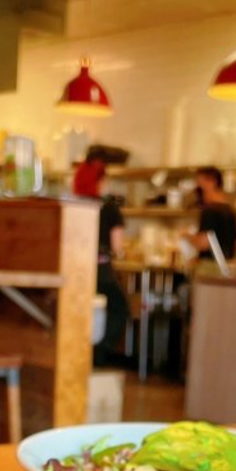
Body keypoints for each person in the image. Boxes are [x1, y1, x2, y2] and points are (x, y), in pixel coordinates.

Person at [73, 149, 129, 364]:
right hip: (100, 271)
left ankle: (79, 352)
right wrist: (121, 253)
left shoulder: (74, 205)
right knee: (120, 309)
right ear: (100, 181)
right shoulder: (109, 208)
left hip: (76, 270)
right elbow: (117, 246)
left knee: (79, 311)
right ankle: (98, 351)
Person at [187, 167, 236, 261]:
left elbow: (203, 244)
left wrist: (187, 236)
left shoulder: (210, 211)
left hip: (210, 266)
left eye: (199, 187)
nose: (198, 193)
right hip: (226, 263)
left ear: (212, 182)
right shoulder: (230, 211)